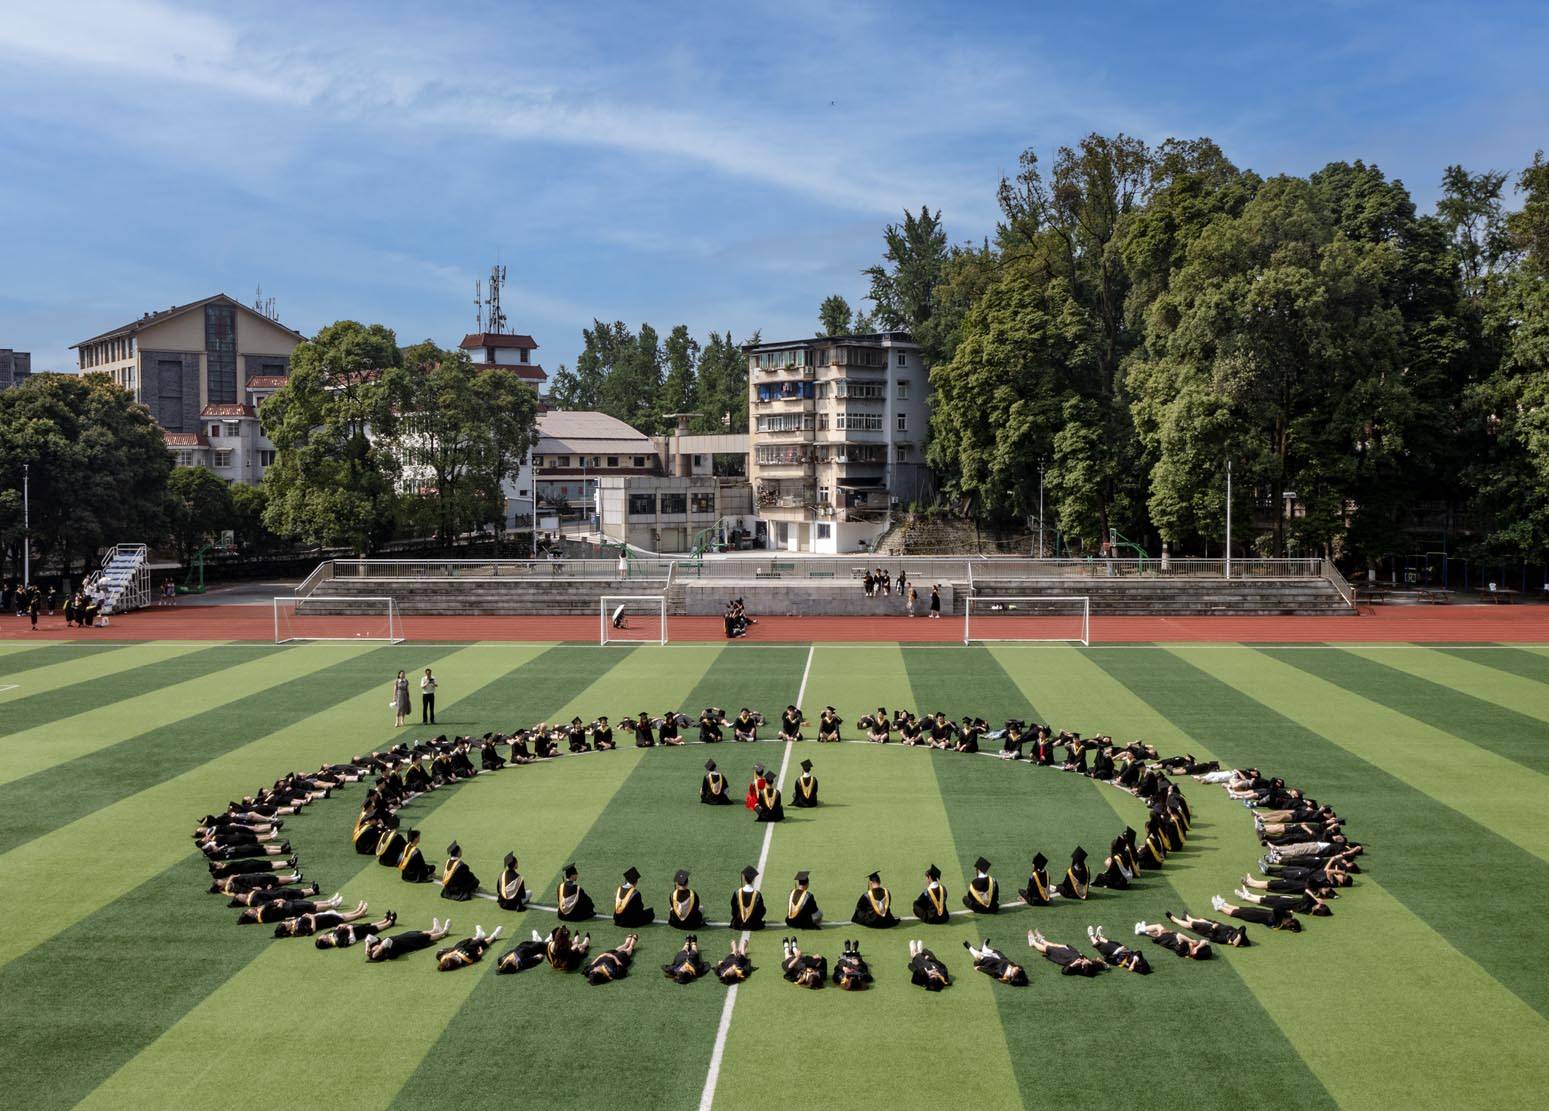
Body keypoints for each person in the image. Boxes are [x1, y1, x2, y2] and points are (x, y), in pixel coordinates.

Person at [364, 918, 451, 962]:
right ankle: (443, 932)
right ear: (379, 953)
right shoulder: (388, 952)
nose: (373, 946)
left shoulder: (380, 944)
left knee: (417, 933)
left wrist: (367, 946)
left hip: (405, 936)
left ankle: (435, 930)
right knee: (426, 937)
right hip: (410, 942)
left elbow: (369, 936)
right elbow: (387, 940)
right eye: (373, 949)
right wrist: (379, 950)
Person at [1026, 929, 1102, 977]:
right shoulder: (1091, 966)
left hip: (1062, 956)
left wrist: (1073, 964)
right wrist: (1103, 964)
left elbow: (1064, 971)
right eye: (1087, 961)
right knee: (1054, 945)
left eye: (1085, 963)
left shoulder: (1077, 967)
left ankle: (1033, 943)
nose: (1086, 960)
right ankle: (1042, 940)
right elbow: (1098, 966)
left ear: (1083, 967)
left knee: (1046, 949)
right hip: (1071, 952)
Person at [1210, 894, 1303, 932]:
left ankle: (1219, 907)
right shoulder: (1282, 919)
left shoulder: (1278, 923)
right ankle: (1225, 904)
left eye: (1290, 921)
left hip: (1255, 916)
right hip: (1259, 912)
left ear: (1287, 924)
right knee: (1242, 908)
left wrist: (1287, 912)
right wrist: (1288, 914)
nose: (1289, 919)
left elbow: (1277, 908)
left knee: (1237, 913)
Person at [314, 910, 398, 950]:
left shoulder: (330, 935)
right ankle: (389, 923)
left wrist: (340, 926)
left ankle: (384, 921)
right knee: (373, 929)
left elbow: (336, 929)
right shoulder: (337, 942)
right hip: (358, 933)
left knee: (369, 924)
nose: (323, 935)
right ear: (325, 942)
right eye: (322, 937)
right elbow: (351, 940)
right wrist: (350, 930)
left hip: (355, 927)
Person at [1086, 926, 1152, 974]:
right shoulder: (1136, 960)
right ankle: (1100, 938)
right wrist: (1133, 963)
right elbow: (1139, 952)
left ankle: (1091, 936)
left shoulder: (1131, 966)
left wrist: (1118, 952)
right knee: (1115, 943)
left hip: (1115, 955)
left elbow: (1118, 961)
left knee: (1103, 946)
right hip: (1123, 952)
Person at [1167, 910, 1249, 947]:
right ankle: (1187, 917)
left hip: (1207, 929)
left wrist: (1213, 928)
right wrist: (1239, 935)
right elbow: (1243, 928)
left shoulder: (1224, 939)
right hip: (1213, 924)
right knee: (1202, 920)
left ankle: (1175, 920)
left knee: (1191, 924)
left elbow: (1212, 938)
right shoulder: (1236, 932)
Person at [964, 938, 1029, 985]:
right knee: (994, 952)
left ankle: (971, 948)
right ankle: (984, 948)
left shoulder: (1003, 974)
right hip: (997, 957)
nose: (1018, 968)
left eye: (1018, 970)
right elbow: (1003, 958)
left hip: (987, 961)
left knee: (979, 956)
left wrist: (979, 968)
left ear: (1015, 975)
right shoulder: (1013, 967)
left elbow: (990, 972)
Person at [436, 924, 502, 971]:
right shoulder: (464, 958)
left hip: (460, 947)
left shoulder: (443, 958)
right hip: (470, 950)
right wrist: (479, 954)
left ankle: (478, 936)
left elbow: (444, 955)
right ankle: (493, 936)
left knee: (460, 945)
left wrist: (452, 952)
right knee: (475, 945)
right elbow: (473, 959)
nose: (448, 955)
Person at [730, 865, 766, 930]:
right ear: (753, 879)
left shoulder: (737, 893)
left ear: (744, 878)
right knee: (763, 909)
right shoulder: (757, 894)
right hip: (753, 923)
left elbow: (734, 909)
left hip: (739, 922)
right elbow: (761, 910)